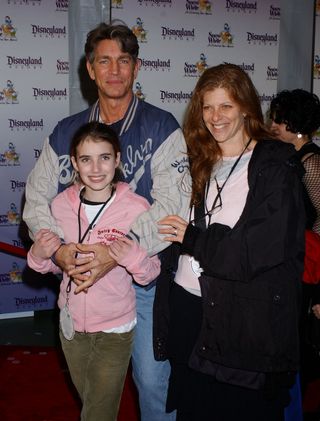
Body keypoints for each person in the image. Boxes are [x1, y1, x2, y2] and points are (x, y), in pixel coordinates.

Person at [23, 23, 189, 421]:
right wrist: (61, 250)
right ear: (90, 69)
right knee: (94, 387)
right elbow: (36, 199)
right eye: (105, 61)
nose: (114, 70)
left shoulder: (162, 126)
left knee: (151, 382)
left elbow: (172, 206)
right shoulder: (66, 132)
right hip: (83, 286)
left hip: (145, 280)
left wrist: (114, 253)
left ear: (136, 68)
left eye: (124, 61)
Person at [155, 64, 306, 421]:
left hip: (242, 321)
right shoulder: (200, 160)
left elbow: (254, 250)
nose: (215, 116)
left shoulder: (275, 165)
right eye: (207, 106)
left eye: (226, 106)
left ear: (246, 109)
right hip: (189, 311)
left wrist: (193, 238)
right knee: (193, 410)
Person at [27, 122, 161, 421]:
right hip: (70, 326)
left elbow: (151, 273)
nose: (96, 168)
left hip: (115, 328)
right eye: (86, 159)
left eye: (104, 157)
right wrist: (38, 255)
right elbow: (52, 266)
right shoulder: (60, 205)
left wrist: (134, 256)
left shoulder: (136, 207)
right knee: (91, 401)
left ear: (117, 159)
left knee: (98, 411)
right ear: (74, 162)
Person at [270, 89, 320, 403]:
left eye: (277, 119)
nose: (272, 124)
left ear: (292, 122)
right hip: (292, 263)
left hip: (309, 269)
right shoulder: (287, 157)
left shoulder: (311, 161)